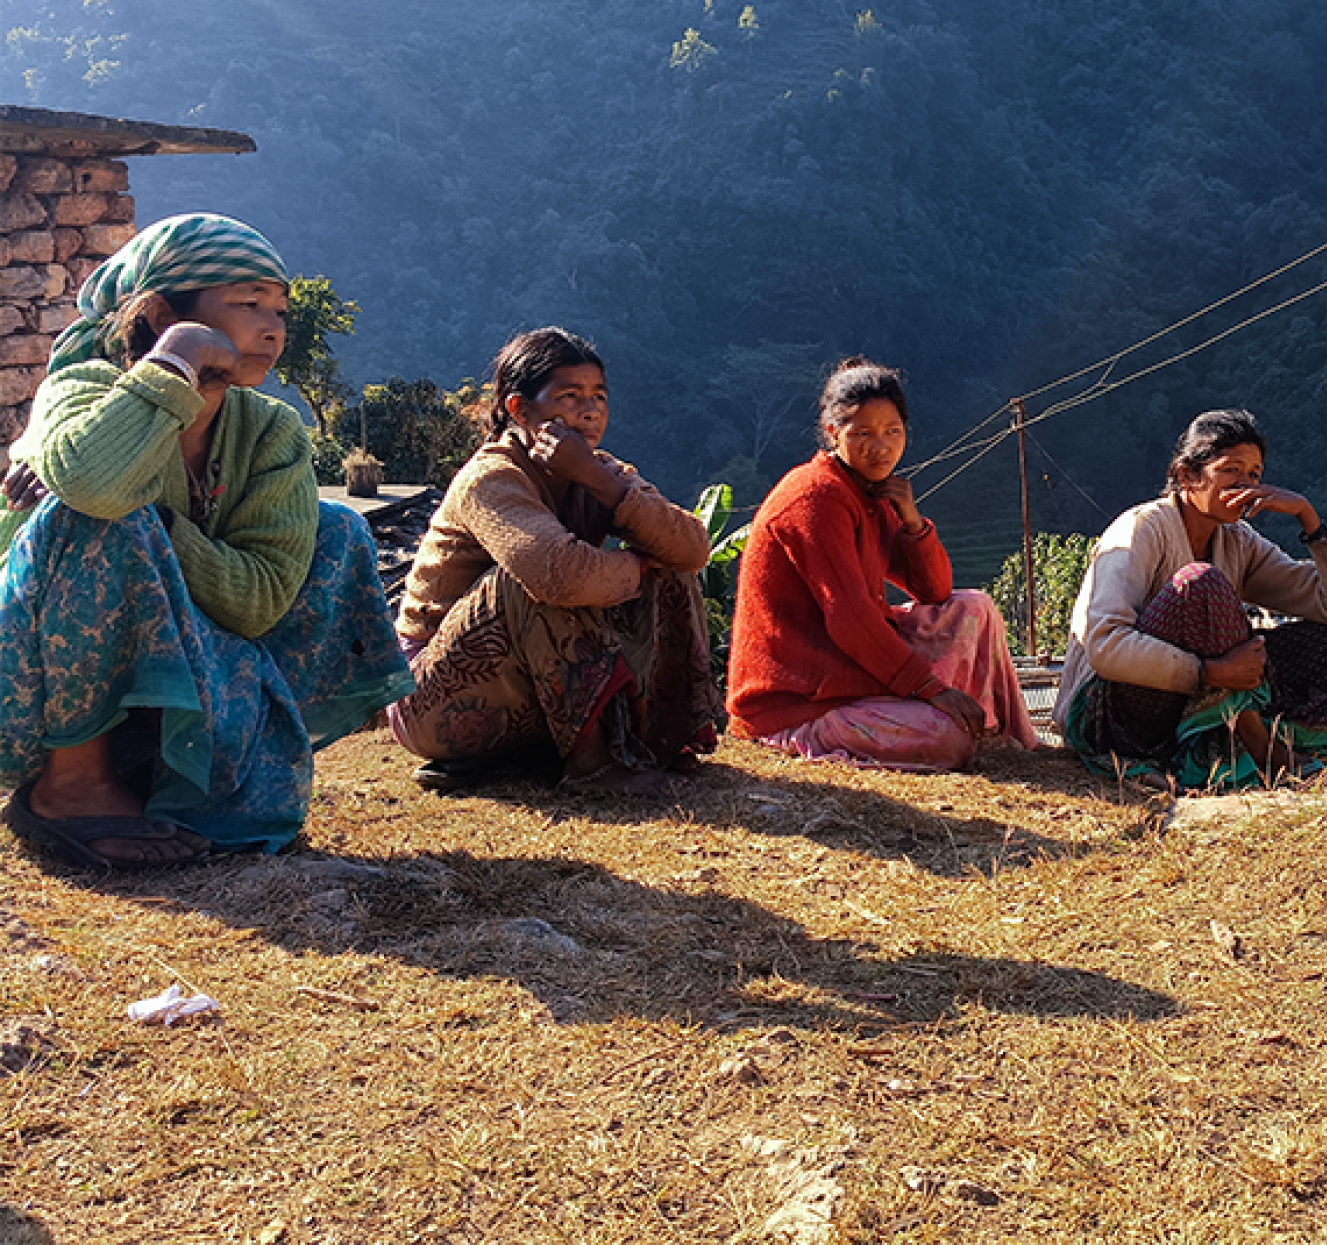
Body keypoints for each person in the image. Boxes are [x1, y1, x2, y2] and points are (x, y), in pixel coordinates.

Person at [0, 213, 413, 868]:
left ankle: (176, 774)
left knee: (338, 531)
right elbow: (98, 489)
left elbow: (262, 599)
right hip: (37, 672)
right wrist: (174, 365)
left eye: (279, 306)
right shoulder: (83, 389)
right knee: (102, 515)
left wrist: (166, 533)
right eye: (248, 303)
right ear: (164, 309)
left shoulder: (271, 430)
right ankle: (69, 785)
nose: (273, 324)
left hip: (193, 656)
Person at [390, 328, 720, 792]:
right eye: (569, 396)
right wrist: (640, 569)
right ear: (519, 410)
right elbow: (559, 577)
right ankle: (593, 765)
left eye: (598, 396)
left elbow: (692, 548)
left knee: (672, 570)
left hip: (520, 695)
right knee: (536, 577)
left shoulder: (600, 470)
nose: (589, 410)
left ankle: (660, 740)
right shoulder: (491, 477)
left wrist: (598, 481)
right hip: (431, 698)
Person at [725, 357, 1035, 771]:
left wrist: (913, 522)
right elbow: (850, 618)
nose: (881, 446)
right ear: (835, 433)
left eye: (893, 431)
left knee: (975, 607)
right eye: (864, 433)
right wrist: (929, 689)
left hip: (842, 669)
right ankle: (937, 725)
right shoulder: (816, 496)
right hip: (798, 701)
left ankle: (1008, 740)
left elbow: (935, 592)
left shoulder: (869, 492)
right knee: (947, 738)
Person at [1052, 408, 1327, 792]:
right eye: (1231, 471)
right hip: (1112, 714)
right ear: (1186, 475)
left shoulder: (1238, 541)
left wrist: (1309, 519)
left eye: (1255, 474)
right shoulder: (1142, 529)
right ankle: (1262, 750)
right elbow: (1104, 644)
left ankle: (1253, 744)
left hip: (1179, 705)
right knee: (1201, 584)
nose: (1245, 486)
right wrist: (1207, 671)